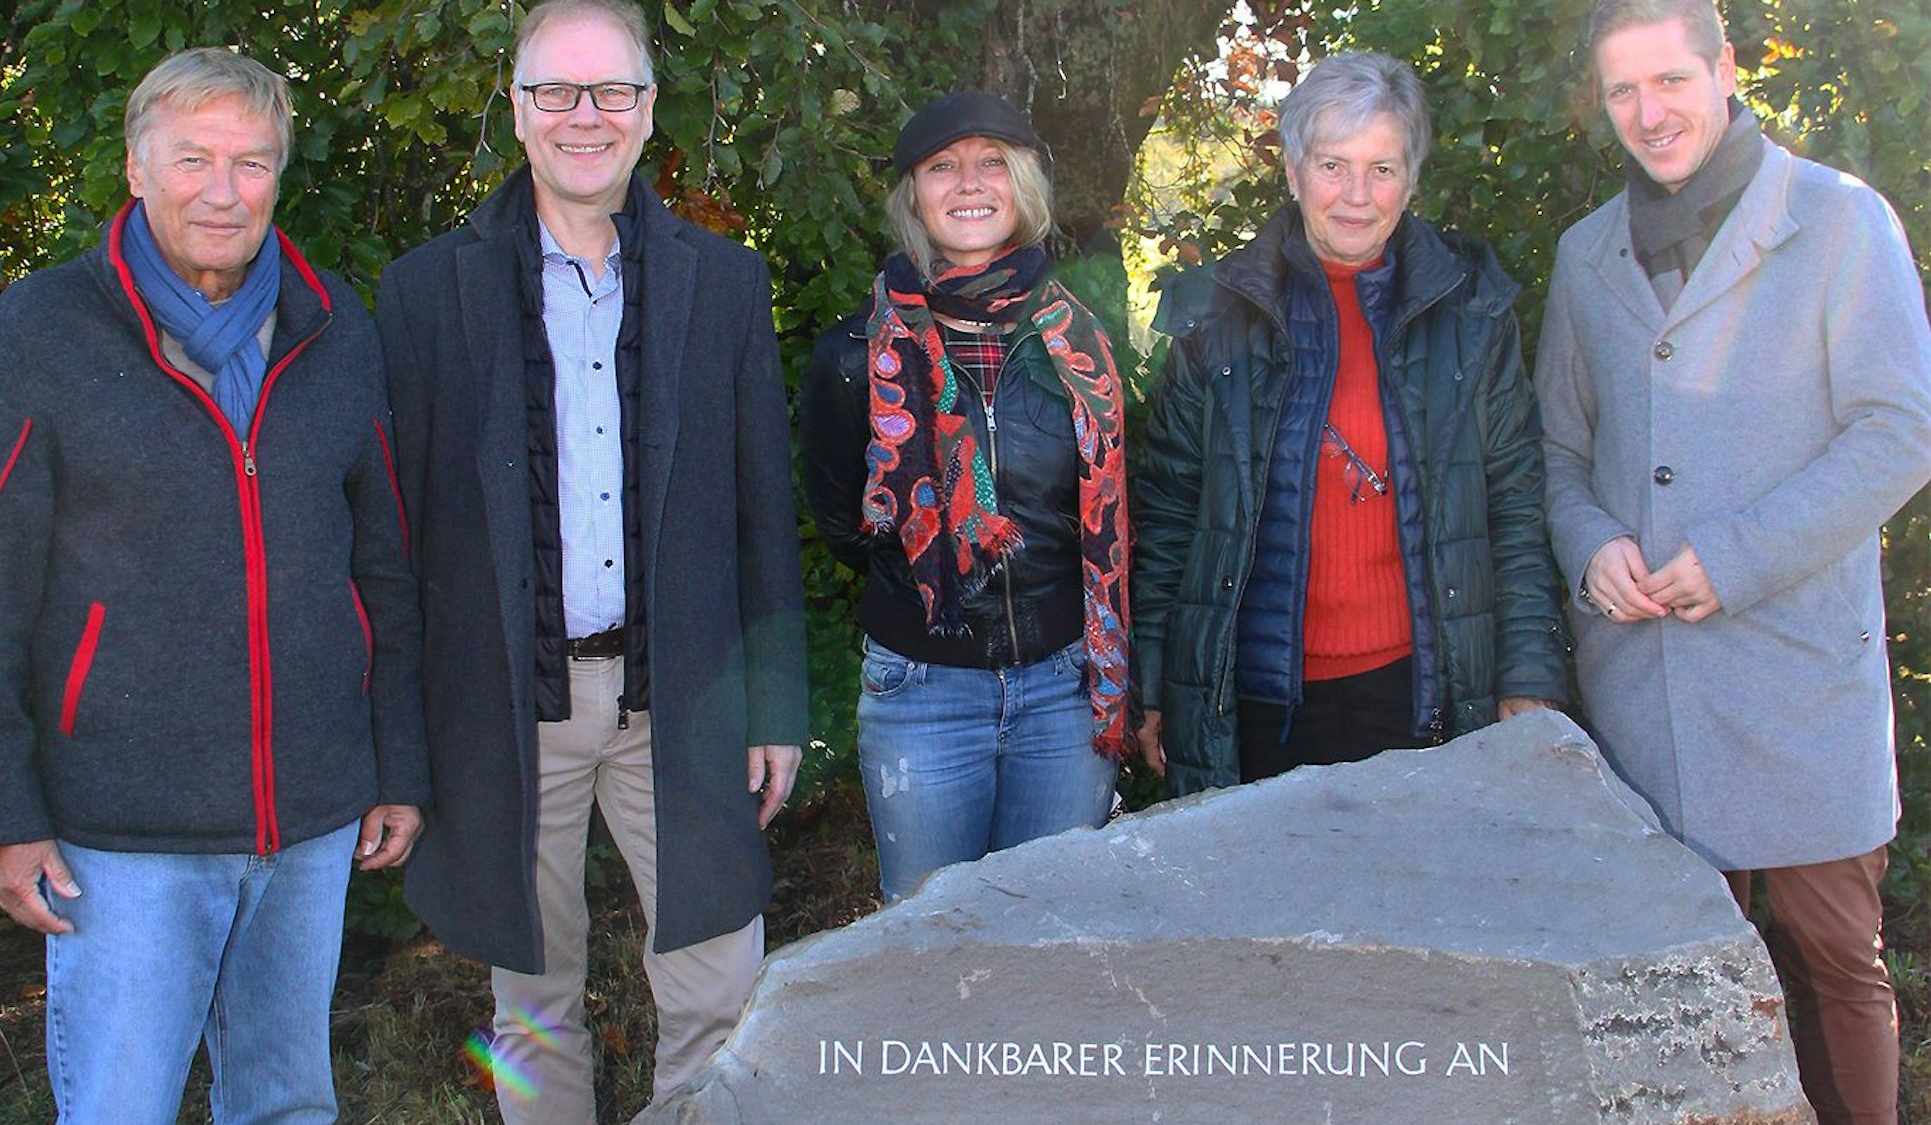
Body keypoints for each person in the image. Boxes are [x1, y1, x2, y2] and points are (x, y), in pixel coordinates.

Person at [0, 47, 427, 1122]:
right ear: (135, 167)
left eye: (251, 163)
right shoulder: (42, 335)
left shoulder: (333, 330)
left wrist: (398, 764)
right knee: (120, 1107)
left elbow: (382, 568)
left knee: (290, 1104)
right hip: (121, 835)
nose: (222, 190)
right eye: (192, 158)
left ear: (280, 176)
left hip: (308, 819)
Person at [376, 0, 808, 1115]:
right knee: (527, 998)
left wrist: (773, 705)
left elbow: (764, 515)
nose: (584, 115)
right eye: (554, 92)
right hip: (511, 705)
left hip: (685, 694)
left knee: (723, 981)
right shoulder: (427, 293)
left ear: (647, 109)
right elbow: (397, 537)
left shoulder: (723, 284)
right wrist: (402, 739)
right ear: (515, 113)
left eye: (610, 90)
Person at [1535, 2, 1931, 1120]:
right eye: (1621, 92)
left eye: (1667, 82)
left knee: (1832, 970)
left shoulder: (1839, 221)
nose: (1647, 114)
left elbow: (1900, 432)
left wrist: (1737, 556)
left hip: (1794, 676)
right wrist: (1588, 543)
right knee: (1664, 977)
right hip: (1642, 685)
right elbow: (1558, 449)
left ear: (1722, 72)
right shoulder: (1584, 253)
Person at [1134, 52, 1568, 797]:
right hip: (1254, 702)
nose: (1357, 196)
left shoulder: (1472, 314)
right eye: (1333, 165)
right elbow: (1169, 511)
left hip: (1420, 688)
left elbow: (1515, 507)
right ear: (1295, 171)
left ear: (1413, 178)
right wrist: (1151, 677)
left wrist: (1527, 670)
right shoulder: (1218, 316)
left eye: (1383, 168)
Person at [801, 92, 1132, 902]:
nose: (969, 183)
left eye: (992, 163)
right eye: (942, 167)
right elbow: (845, 528)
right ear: (914, 195)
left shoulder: (1085, 340)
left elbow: (1122, 514)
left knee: (1053, 938)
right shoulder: (853, 357)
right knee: (928, 946)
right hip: (923, 692)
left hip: (1066, 687)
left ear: (1023, 186)